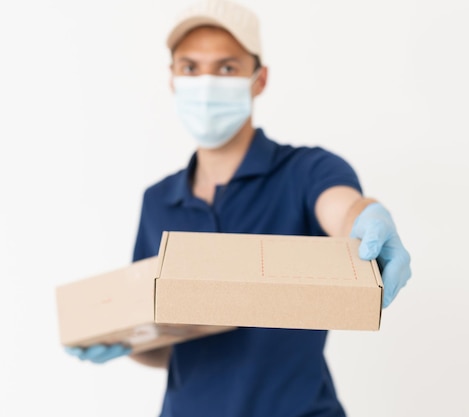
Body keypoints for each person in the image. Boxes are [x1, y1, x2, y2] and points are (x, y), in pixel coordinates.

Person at [64, 0, 412, 416]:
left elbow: (343, 209)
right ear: (173, 79)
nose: (206, 82)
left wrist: (367, 217)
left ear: (259, 79)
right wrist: (125, 341)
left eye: (227, 67)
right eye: (190, 67)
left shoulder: (305, 170)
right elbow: (167, 342)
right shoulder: (158, 201)